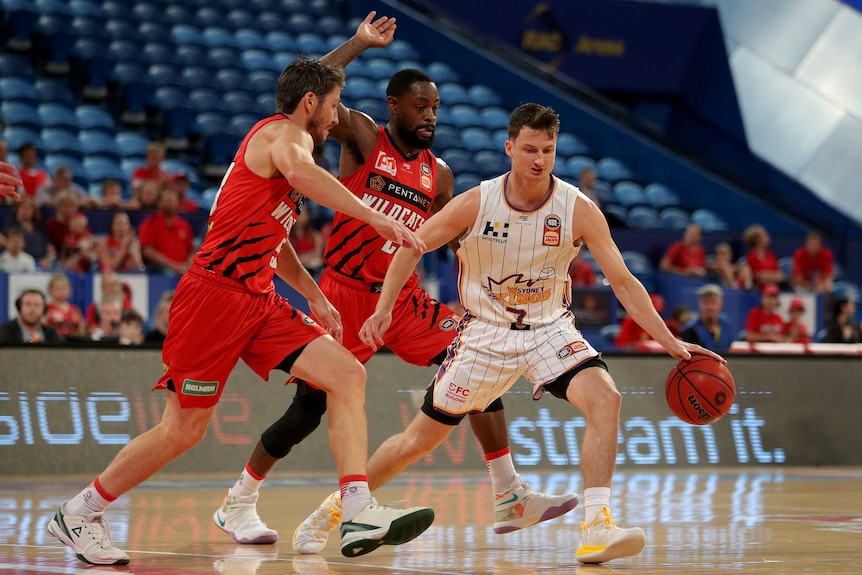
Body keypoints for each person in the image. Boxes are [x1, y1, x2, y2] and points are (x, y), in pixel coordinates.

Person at [47, 34, 433, 566]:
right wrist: (376, 214)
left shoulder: (293, 144)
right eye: (333, 105)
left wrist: (315, 296)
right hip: (212, 296)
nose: (335, 118)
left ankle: (359, 506)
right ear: (309, 104)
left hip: (257, 297)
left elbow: (276, 238)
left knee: (348, 375)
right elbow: (303, 172)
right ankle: (80, 511)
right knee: (182, 430)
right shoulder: (283, 137)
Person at [216, 19, 576, 554]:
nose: (430, 115)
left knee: (477, 358)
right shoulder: (363, 136)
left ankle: (509, 493)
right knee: (307, 411)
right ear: (393, 106)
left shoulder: (442, 176)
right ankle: (239, 499)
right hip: (343, 294)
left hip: (401, 301)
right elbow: (310, 96)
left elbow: (451, 243)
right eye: (419, 106)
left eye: (435, 107)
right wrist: (360, 43)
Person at [317, 103, 722, 565]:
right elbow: (411, 247)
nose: (539, 159)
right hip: (485, 336)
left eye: (547, 150)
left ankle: (596, 528)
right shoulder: (476, 201)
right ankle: (336, 509)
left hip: (549, 329)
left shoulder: (577, 208)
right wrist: (385, 307)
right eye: (529, 149)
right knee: (415, 443)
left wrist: (668, 340)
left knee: (606, 398)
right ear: (509, 148)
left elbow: (624, 282)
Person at [138, 187, 195, 275]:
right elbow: (147, 251)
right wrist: (174, 266)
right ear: (160, 203)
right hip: (160, 268)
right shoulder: (150, 223)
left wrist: (188, 264)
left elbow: (191, 250)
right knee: (167, 272)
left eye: (173, 201)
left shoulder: (184, 225)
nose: (171, 204)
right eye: (168, 200)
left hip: (182, 267)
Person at [3, 196, 55, 267]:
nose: (25, 211)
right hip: (18, 260)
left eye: (28, 208)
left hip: (40, 262)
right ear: (17, 209)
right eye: (23, 208)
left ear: (34, 211)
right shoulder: (10, 225)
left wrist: (48, 259)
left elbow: (50, 248)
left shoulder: (40, 227)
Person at [743, 224, 787, 290]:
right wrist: (773, 276)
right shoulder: (752, 256)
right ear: (758, 240)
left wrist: (768, 276)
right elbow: (760, 278)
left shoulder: (770, 255)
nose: (768, 237)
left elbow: (781, 276)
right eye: (765, 236)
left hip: (774, 288)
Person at [45, 272, 86, 339]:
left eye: (64, 288)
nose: (61, 292)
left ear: (69, 290)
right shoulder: (47, 309)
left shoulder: (75, 310)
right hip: (53, 344)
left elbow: (82, 331)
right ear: (50, 290)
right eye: (57, 289)